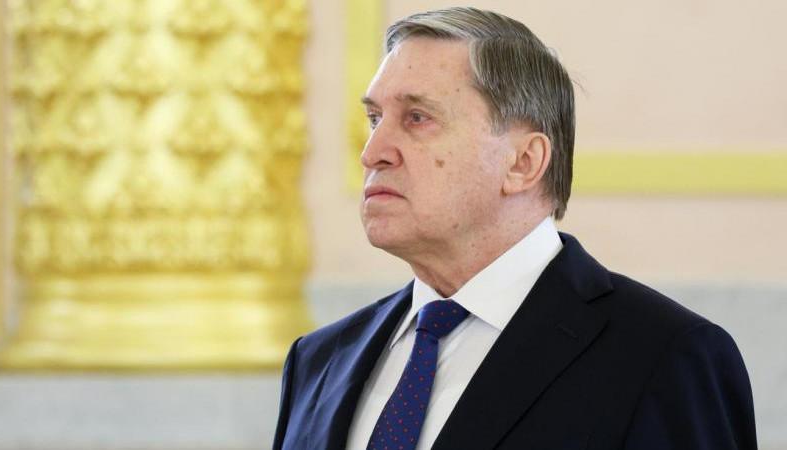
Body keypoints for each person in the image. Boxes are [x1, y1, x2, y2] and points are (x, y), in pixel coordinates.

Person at [273, 7, 757, 450]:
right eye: (375, 118)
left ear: (524, 162)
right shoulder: (319, 361)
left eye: (417, 118)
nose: (372, 152)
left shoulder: (662, 358)